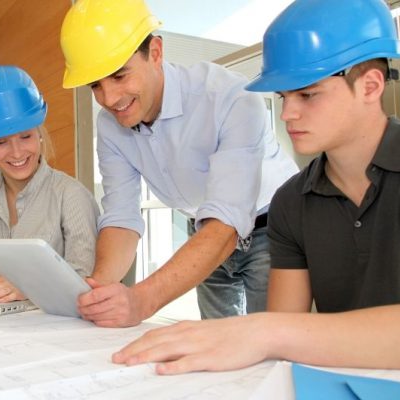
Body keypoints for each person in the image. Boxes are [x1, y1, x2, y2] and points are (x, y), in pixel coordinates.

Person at [112, 0, 400, 374]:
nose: (286, 114)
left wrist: (265, 332)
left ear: (370, 86)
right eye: (283, 97)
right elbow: (280, 346)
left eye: (307, 94)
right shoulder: (290, 202)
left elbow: (277, 331)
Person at [59, 0, 299, 324]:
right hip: (204, 231)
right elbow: (121, 218)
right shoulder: (110, 126)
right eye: (95, 86)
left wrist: (141, 300)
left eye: (119, 76)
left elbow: (228, 219)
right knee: (214, 341)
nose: (109, 99)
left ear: (155, 53)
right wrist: (99, 291)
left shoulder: (230, 97)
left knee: (270, 343)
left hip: (273, 228)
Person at [0, 65, 100, 303]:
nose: (16, 153)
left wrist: (30, 285)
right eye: (1, 142)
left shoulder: (71, 195)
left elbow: (86, 281)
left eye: (26, 137)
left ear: (39, 133)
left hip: (59, 326)